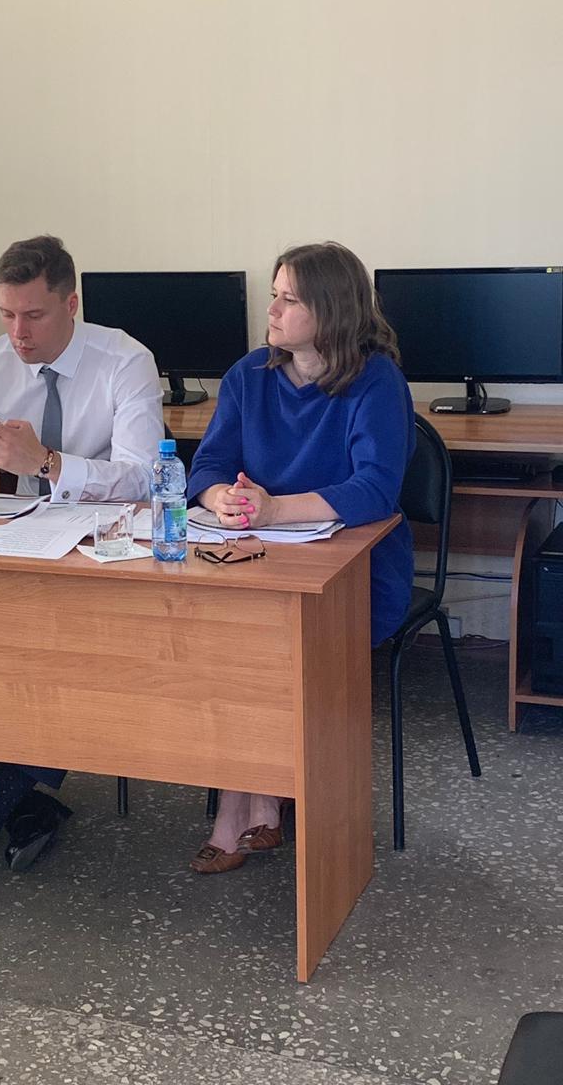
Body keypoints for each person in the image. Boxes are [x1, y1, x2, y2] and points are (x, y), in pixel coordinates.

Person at [0, 234, 163, 889]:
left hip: (105, 556)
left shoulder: (125, 360)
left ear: (71, 304)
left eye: (35, 315)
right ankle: (26, 802)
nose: (18, 333)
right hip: (18, 548)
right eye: (7, 314)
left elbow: (145, 478)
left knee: (49, 654)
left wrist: (46, 464)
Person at [186, 241, 415, 874]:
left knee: (264, 644)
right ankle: (262, 798)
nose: (272, 310)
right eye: (274, 295)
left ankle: (239, 809)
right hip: (257, 559)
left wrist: (272, 509)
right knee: (224, 634)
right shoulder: (249, 375)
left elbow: (376, 489)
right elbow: (206, 465)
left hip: (357, 573)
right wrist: (222, 498)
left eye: (289, 300)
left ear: (331, 311)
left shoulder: (376, 381)